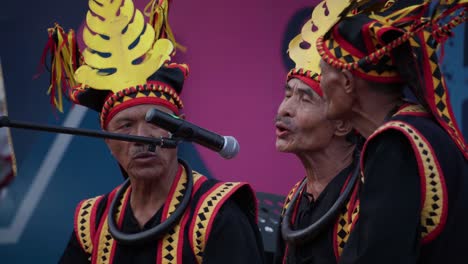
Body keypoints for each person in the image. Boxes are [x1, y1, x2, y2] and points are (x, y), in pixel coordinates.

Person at [44, 0, 265, 263]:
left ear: (180, 129)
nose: (143, 137)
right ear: (107, 141)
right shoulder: (92, 223)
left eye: (156, 122)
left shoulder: (218, 213)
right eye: (126, 125)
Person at [315, 0, 468, 263]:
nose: (320, 83)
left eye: (323, 72)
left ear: (347, 82)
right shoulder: (420, 133)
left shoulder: (397, 145)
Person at [273, 3, 360, 263]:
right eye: (288, 94)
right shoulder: (295, 199)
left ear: (342, 125)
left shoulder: (366, 196)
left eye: (305, 99)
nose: (284, 109)